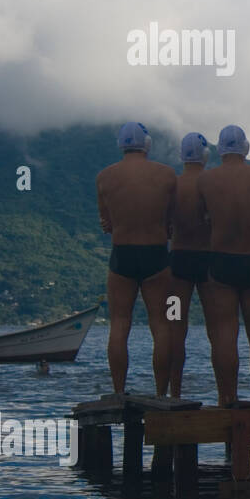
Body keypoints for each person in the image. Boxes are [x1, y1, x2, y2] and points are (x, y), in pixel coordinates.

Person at [95, 122, 175, 395]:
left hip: (123, 254)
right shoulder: (166, 175)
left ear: (121, 145)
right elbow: (172, 219)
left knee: (119, 323)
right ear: (147, 144)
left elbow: (106, 223)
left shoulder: (105, 177)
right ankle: (161, 393)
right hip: (155, 253)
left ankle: (118, 391)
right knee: (161, 325)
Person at [197, 125, 250, 405]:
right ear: (246, 147)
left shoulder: (206, 180)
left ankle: (225, 397)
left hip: (221, 259)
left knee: (225, 333)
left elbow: (202, 217)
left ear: (219, 149)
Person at [166, 132, 213, 399]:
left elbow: (163, 224)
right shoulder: (214, 186)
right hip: (208, 260)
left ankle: (174, 392)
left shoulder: (172, 185)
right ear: (206, 156)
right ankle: (225, 396)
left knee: (175, 328)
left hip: (179, 261)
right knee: (219, 330)